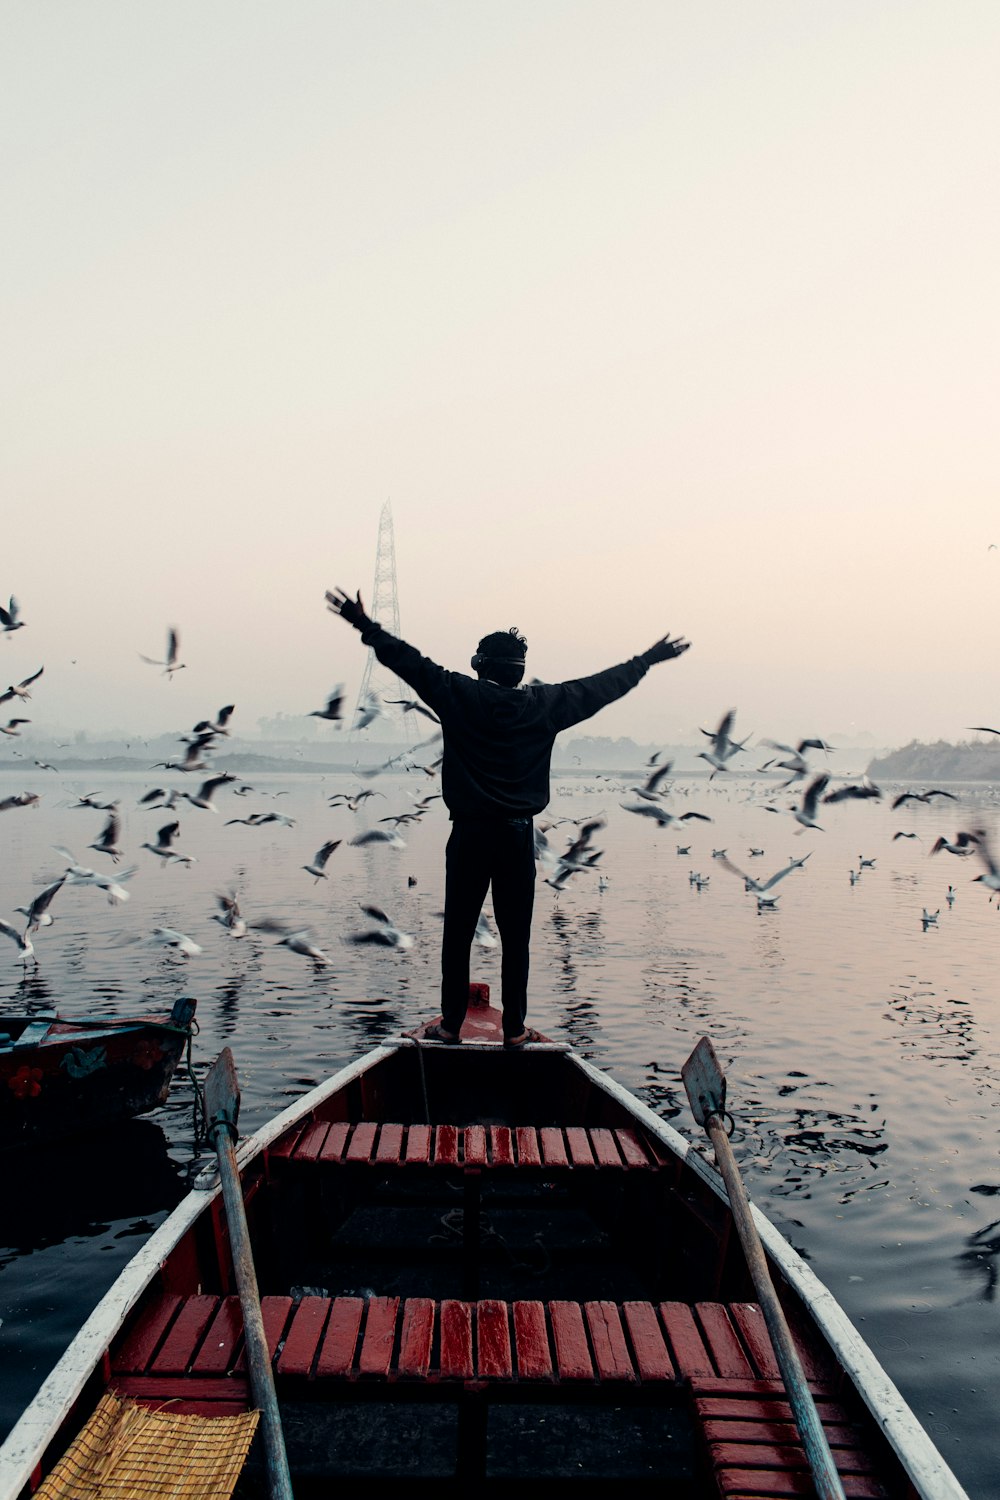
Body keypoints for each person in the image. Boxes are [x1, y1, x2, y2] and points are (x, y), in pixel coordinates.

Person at [328, 588, 690, 1046]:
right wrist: (647, 659)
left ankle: (451, 1026)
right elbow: (602, 686)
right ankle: (514, 1030)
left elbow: (408, 661)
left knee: (458, 935)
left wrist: (364, 625)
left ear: (480, 665)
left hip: (470, 836)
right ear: (519, 671)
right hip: (518, 838)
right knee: (516, 938)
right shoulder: (545, 705)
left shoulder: (458, 694)